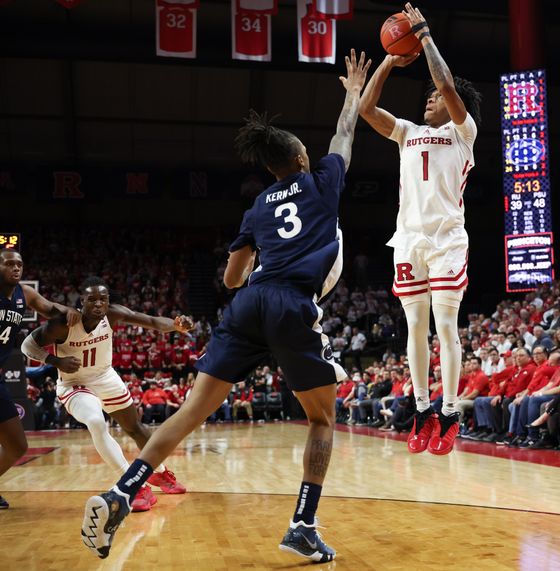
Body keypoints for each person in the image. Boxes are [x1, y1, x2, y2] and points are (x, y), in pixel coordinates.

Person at [80, 50, 370, 563]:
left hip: (249, 302)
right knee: (322, 420)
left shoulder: (257, 207)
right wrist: (351, 95)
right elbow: (344, 138)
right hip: (290, 301)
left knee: (192, 410)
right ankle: (302, 525)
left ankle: (119, 493)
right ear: (301, 160)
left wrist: (256, 270)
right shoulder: (323, 182)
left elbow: (232, 278)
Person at [359, 2, 482, 456]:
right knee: (414, 327)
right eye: (427, 98)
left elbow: (447, 83)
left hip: (448, 238)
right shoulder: (407, 131)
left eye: (433, 98)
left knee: (445, 327)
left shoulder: (462, 132)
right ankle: (423, 408)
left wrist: (425, 35)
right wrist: (390, 60)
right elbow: (367, 107)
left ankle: (451, 413)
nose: (429, 98)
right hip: (409, 238)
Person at [21, 276, 192, 512]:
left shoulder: (113, 314)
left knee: (136, 428)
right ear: (82, 301)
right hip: (74, 383)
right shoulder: (64, 323)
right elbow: (27, 345)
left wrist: (175, 325)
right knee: (95, 421)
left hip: (105, 377)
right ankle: (132, 485)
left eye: (103, 299)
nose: (98, 304)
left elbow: (151, 320)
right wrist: (55, 360)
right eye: (92, 299)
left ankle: (159, 473)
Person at [0, 248, 80, 509]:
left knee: (17, 445)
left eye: (19, 264)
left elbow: (50, 308)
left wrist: (68, 310)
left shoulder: (26, 293)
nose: (15, 268)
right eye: (9, 264)